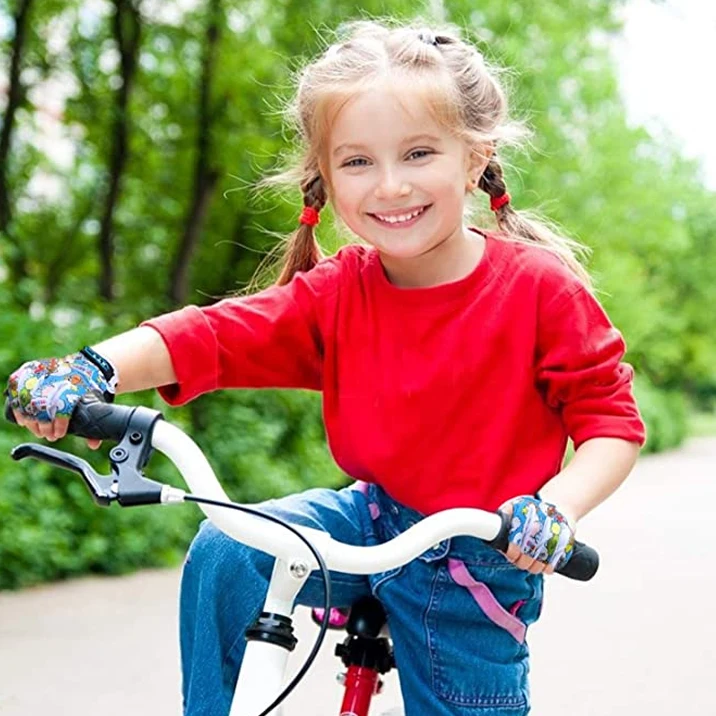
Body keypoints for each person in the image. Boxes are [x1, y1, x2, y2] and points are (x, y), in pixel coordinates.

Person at [6, 20, 646, 716]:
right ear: (326, 175)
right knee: (230, 548)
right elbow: (216, 336)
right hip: (371, 518)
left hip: (482, 558)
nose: (391, 186)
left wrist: (555, 508)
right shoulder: (342, 289)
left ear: (474, 159)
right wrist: (92, 368)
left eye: (419, 152)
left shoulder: (538, 289)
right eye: (358, 161)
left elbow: (610, 423)